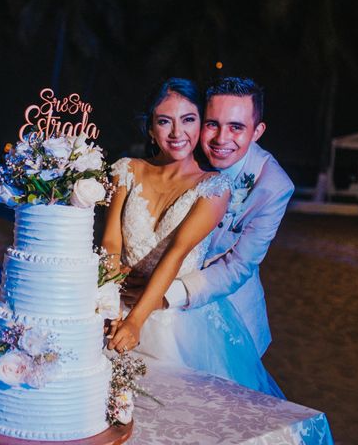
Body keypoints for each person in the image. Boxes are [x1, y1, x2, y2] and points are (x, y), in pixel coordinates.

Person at [103, 77, 284, 397]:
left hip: (214, 311)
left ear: (257, 132)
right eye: (212, 124)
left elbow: (237, 266)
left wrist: (162, 296)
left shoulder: (273, 186)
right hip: (127, 296)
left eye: (237, 128)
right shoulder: (171, 153)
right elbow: (112, 241)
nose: (221, 138)